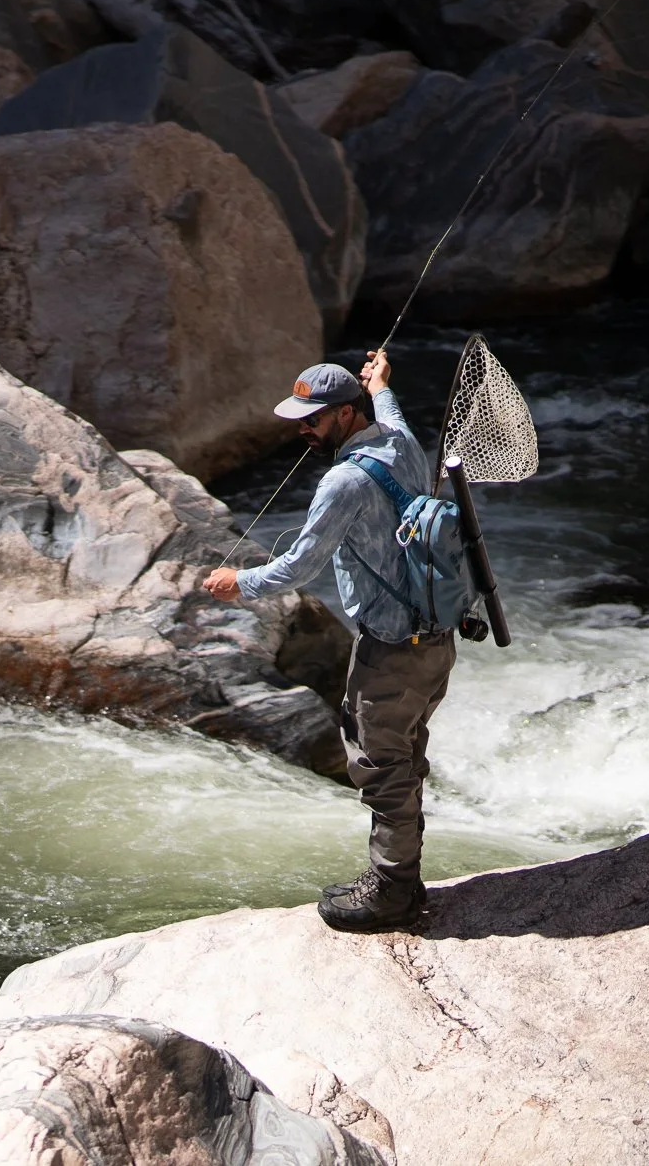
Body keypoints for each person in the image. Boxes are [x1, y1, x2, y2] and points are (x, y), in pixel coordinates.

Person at [202, 351, 455, 932]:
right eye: (298, 418)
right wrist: (383, 384)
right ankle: (403, 881)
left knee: (380, 765)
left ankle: (392, 895)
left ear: (345, 414)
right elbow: (391, 413)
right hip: (436, 640)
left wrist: (238, 583)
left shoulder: (343, 481)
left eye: (312, 419)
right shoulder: (401, 442)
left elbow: (298, 567)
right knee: (405, 758)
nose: (302, 429)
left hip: (391, 649)